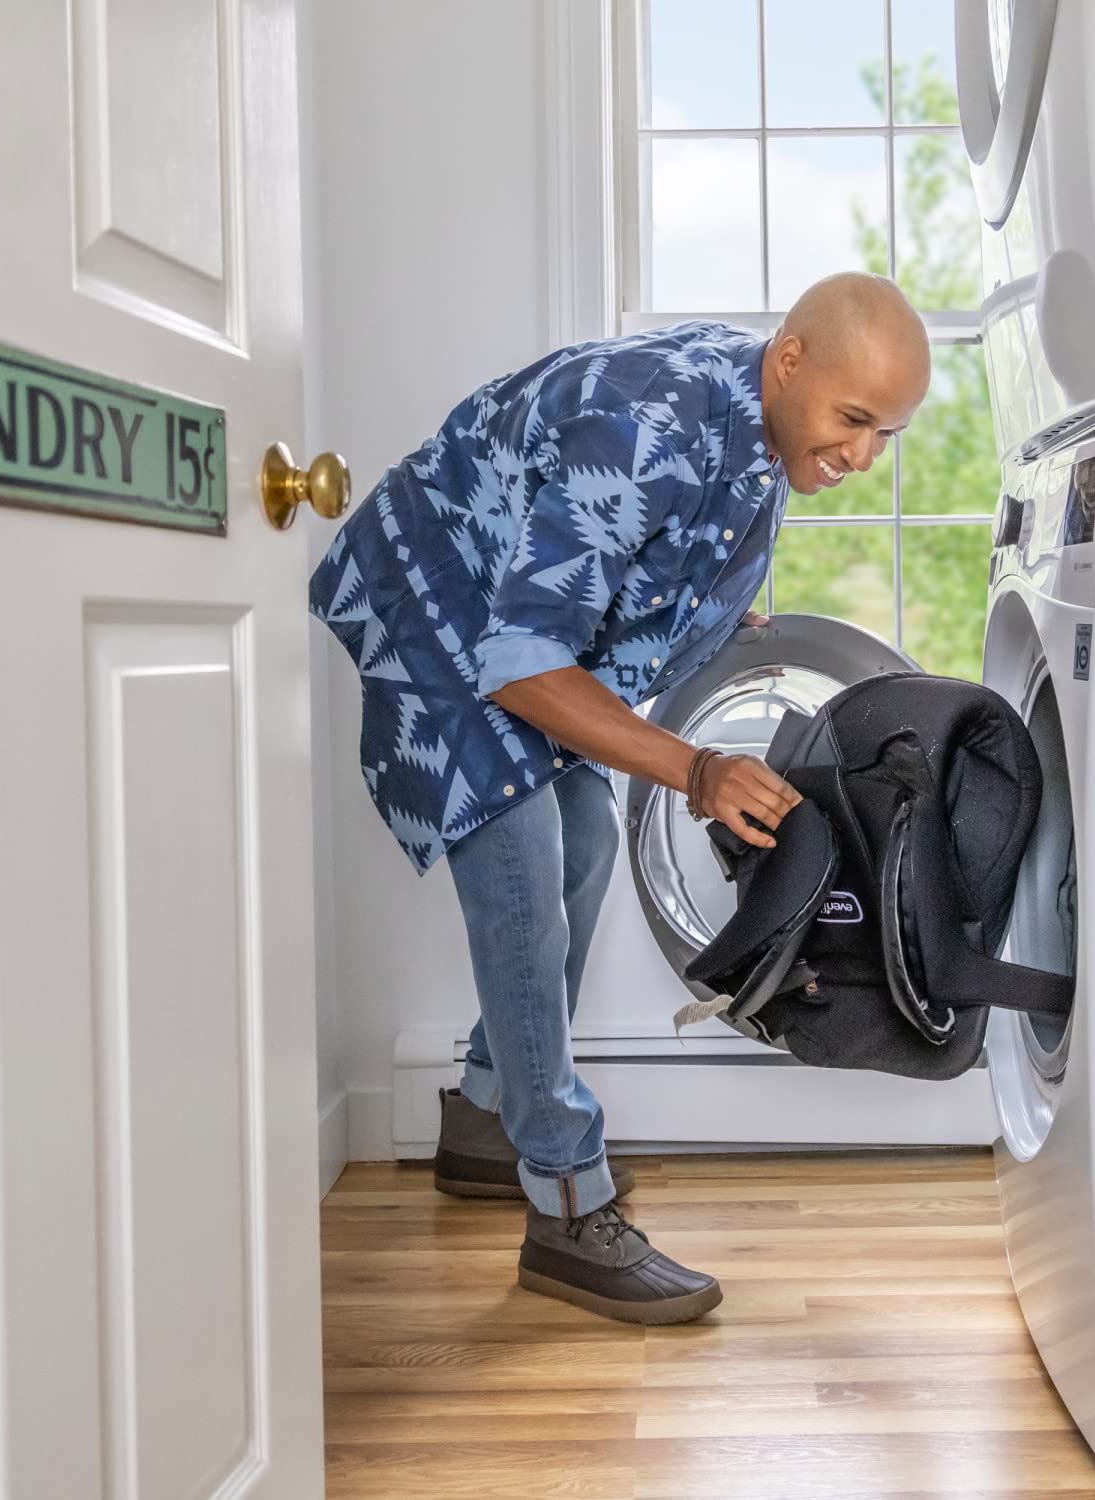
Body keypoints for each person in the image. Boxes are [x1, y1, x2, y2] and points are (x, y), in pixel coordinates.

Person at [310, 272, 932, 1324]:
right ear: (790, 363)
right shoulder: (644, 428)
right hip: (437, 597)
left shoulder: (765, 436)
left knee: (589, 838)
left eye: (890, 433)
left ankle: (481, 1116)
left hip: (509, 623)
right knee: (519, 862)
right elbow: (518, 661)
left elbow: (664, 575)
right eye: (855, 420)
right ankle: (563, 1203)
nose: (866, 457)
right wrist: (694, 768)